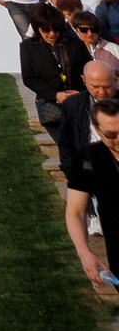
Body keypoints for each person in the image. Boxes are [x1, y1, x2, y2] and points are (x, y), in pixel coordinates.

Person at [57, 95, 119, 288]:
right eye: (111, 135)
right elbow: (76, 211)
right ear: (96, 130)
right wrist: (84, 253)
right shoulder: (88, 158)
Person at [20, 5, 87, 127]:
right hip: (51, 106)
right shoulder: (28, 46)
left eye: (56, 29)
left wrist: (80, 92)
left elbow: (87, 68)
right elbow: (29, 79)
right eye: (46, 30)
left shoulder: (74, 43)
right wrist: (55, 95)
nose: (52, 34)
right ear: (37, 28)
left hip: (78, 102)